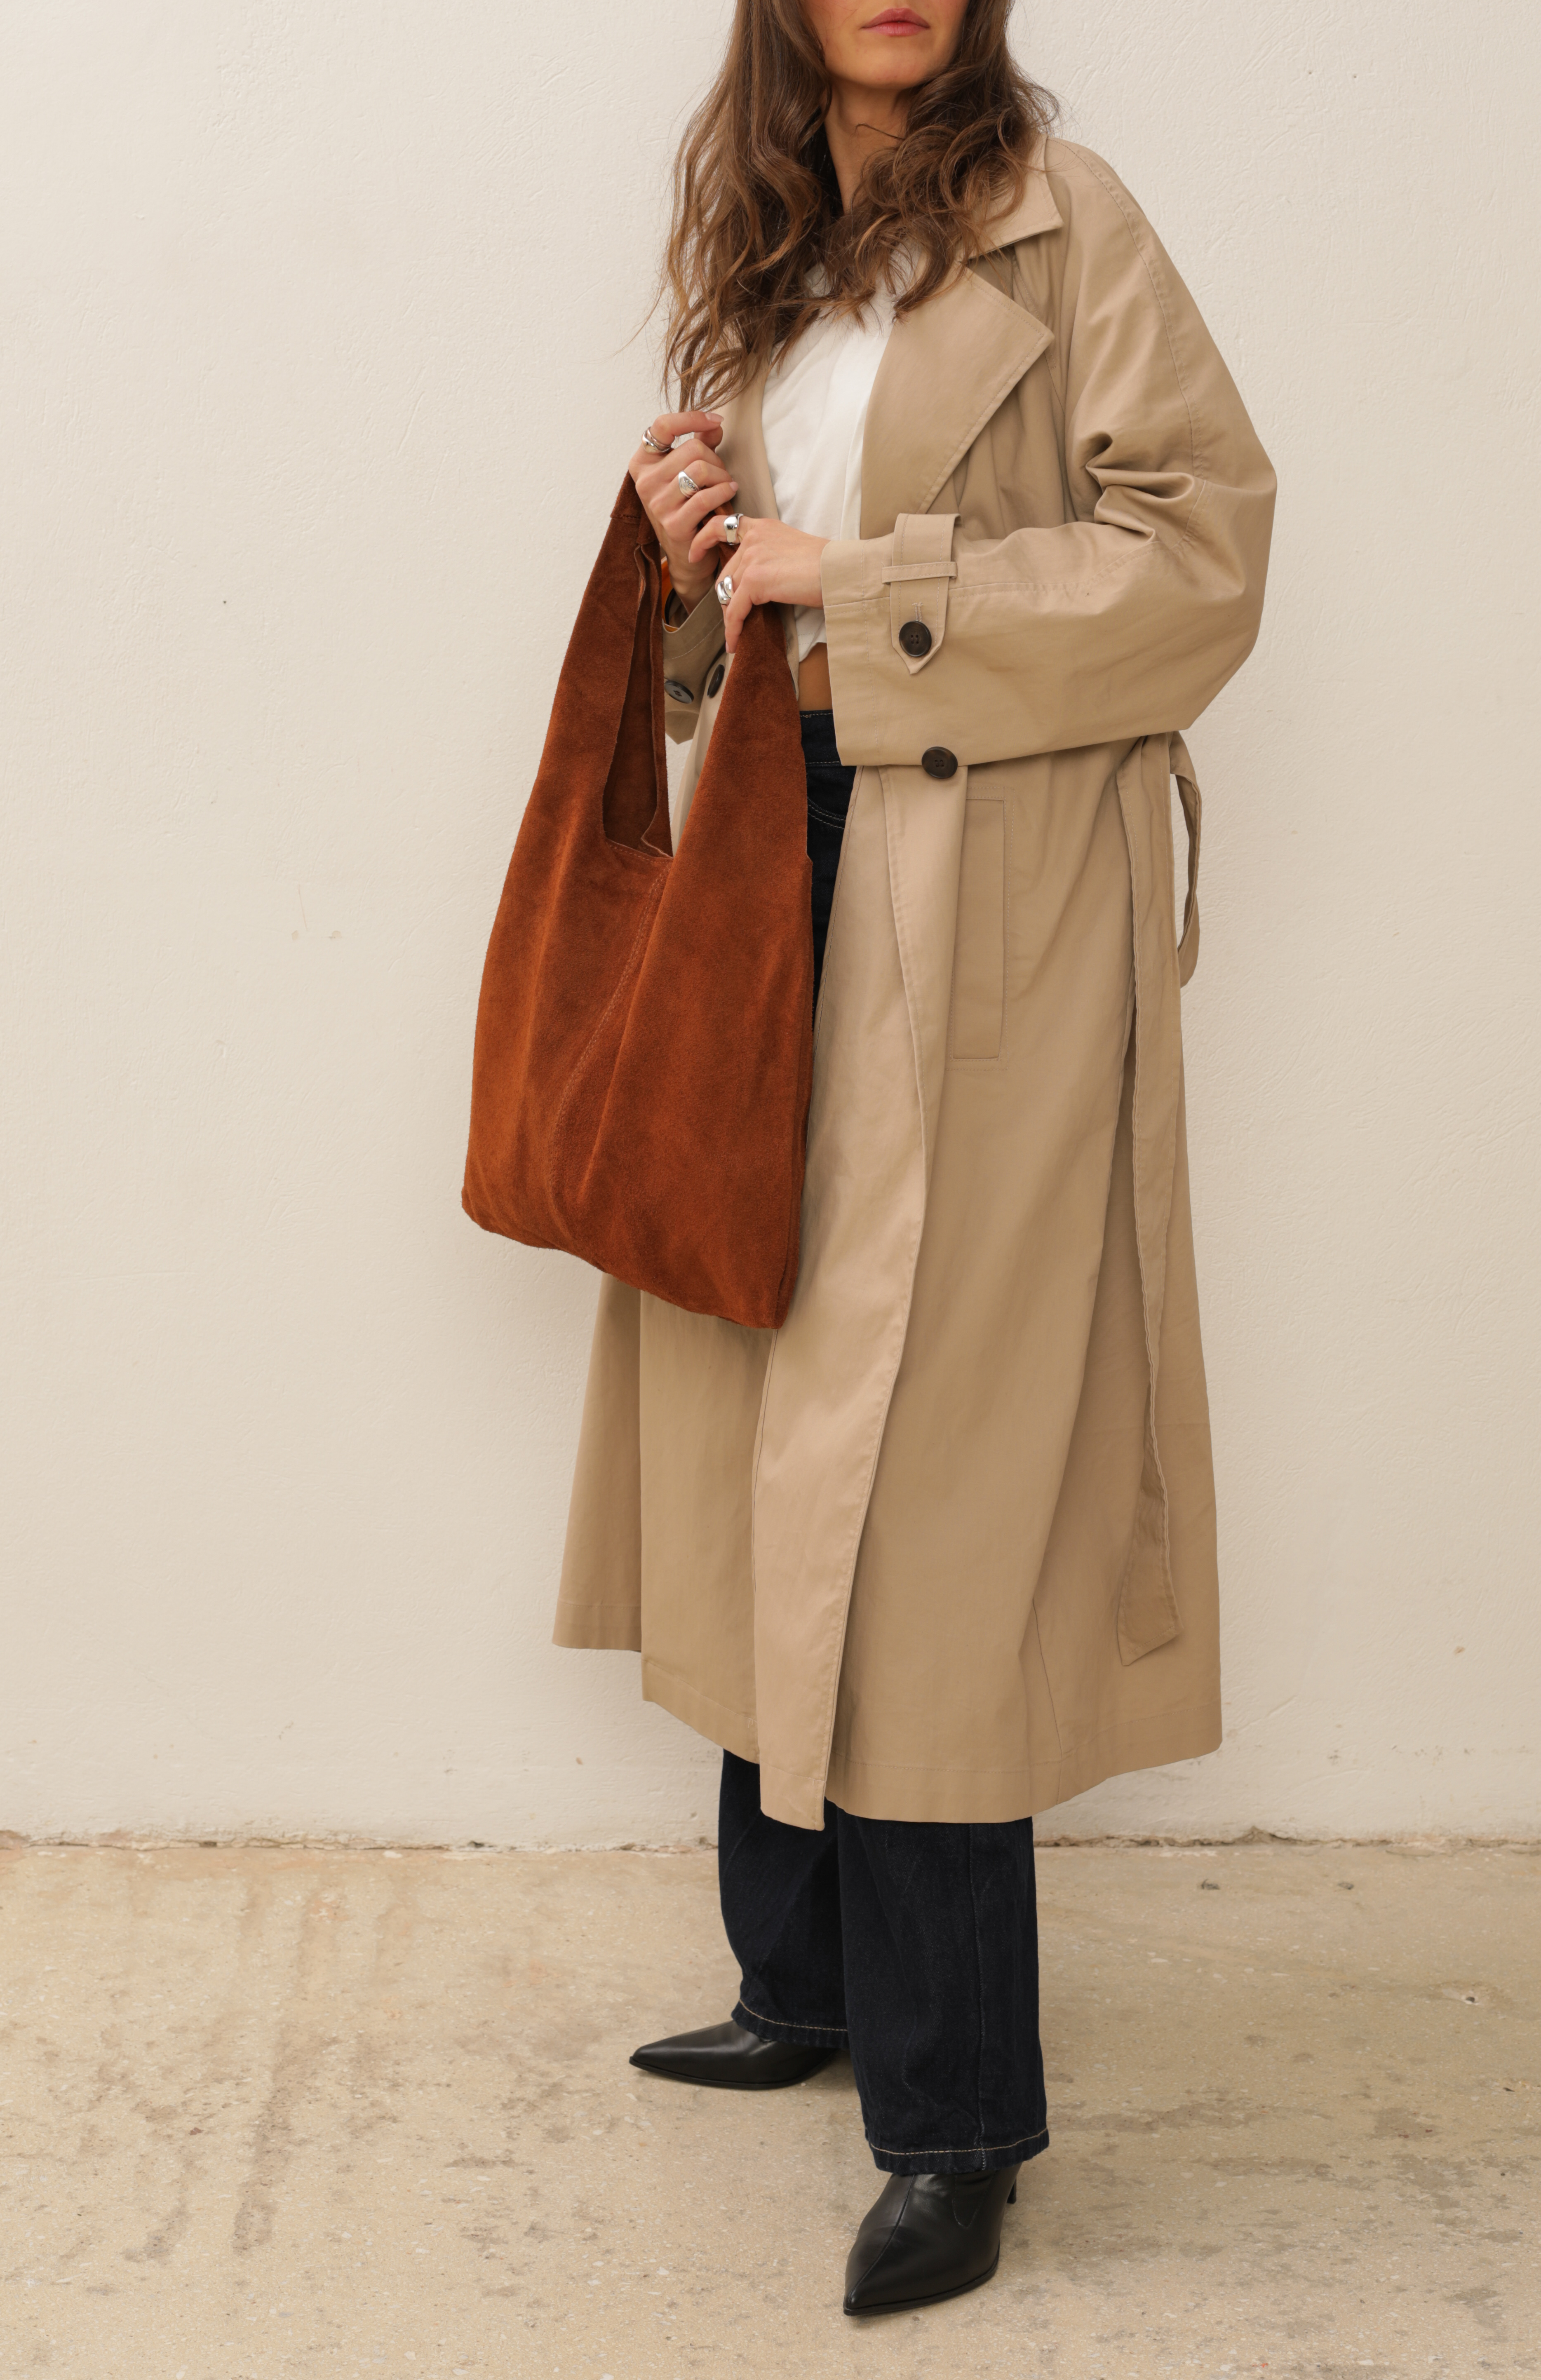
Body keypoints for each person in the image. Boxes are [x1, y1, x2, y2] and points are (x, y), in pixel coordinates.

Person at [552, 0, 1276, 2319]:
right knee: (761, 1396)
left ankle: (958, 2123)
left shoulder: (1072, 230)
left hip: (993, 918)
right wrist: (694, 569)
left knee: (934, 1496)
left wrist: (862, 588)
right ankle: (803, 1981)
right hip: (776, 879)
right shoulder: (761, 265)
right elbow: (733, 655)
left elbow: (1203, 561)